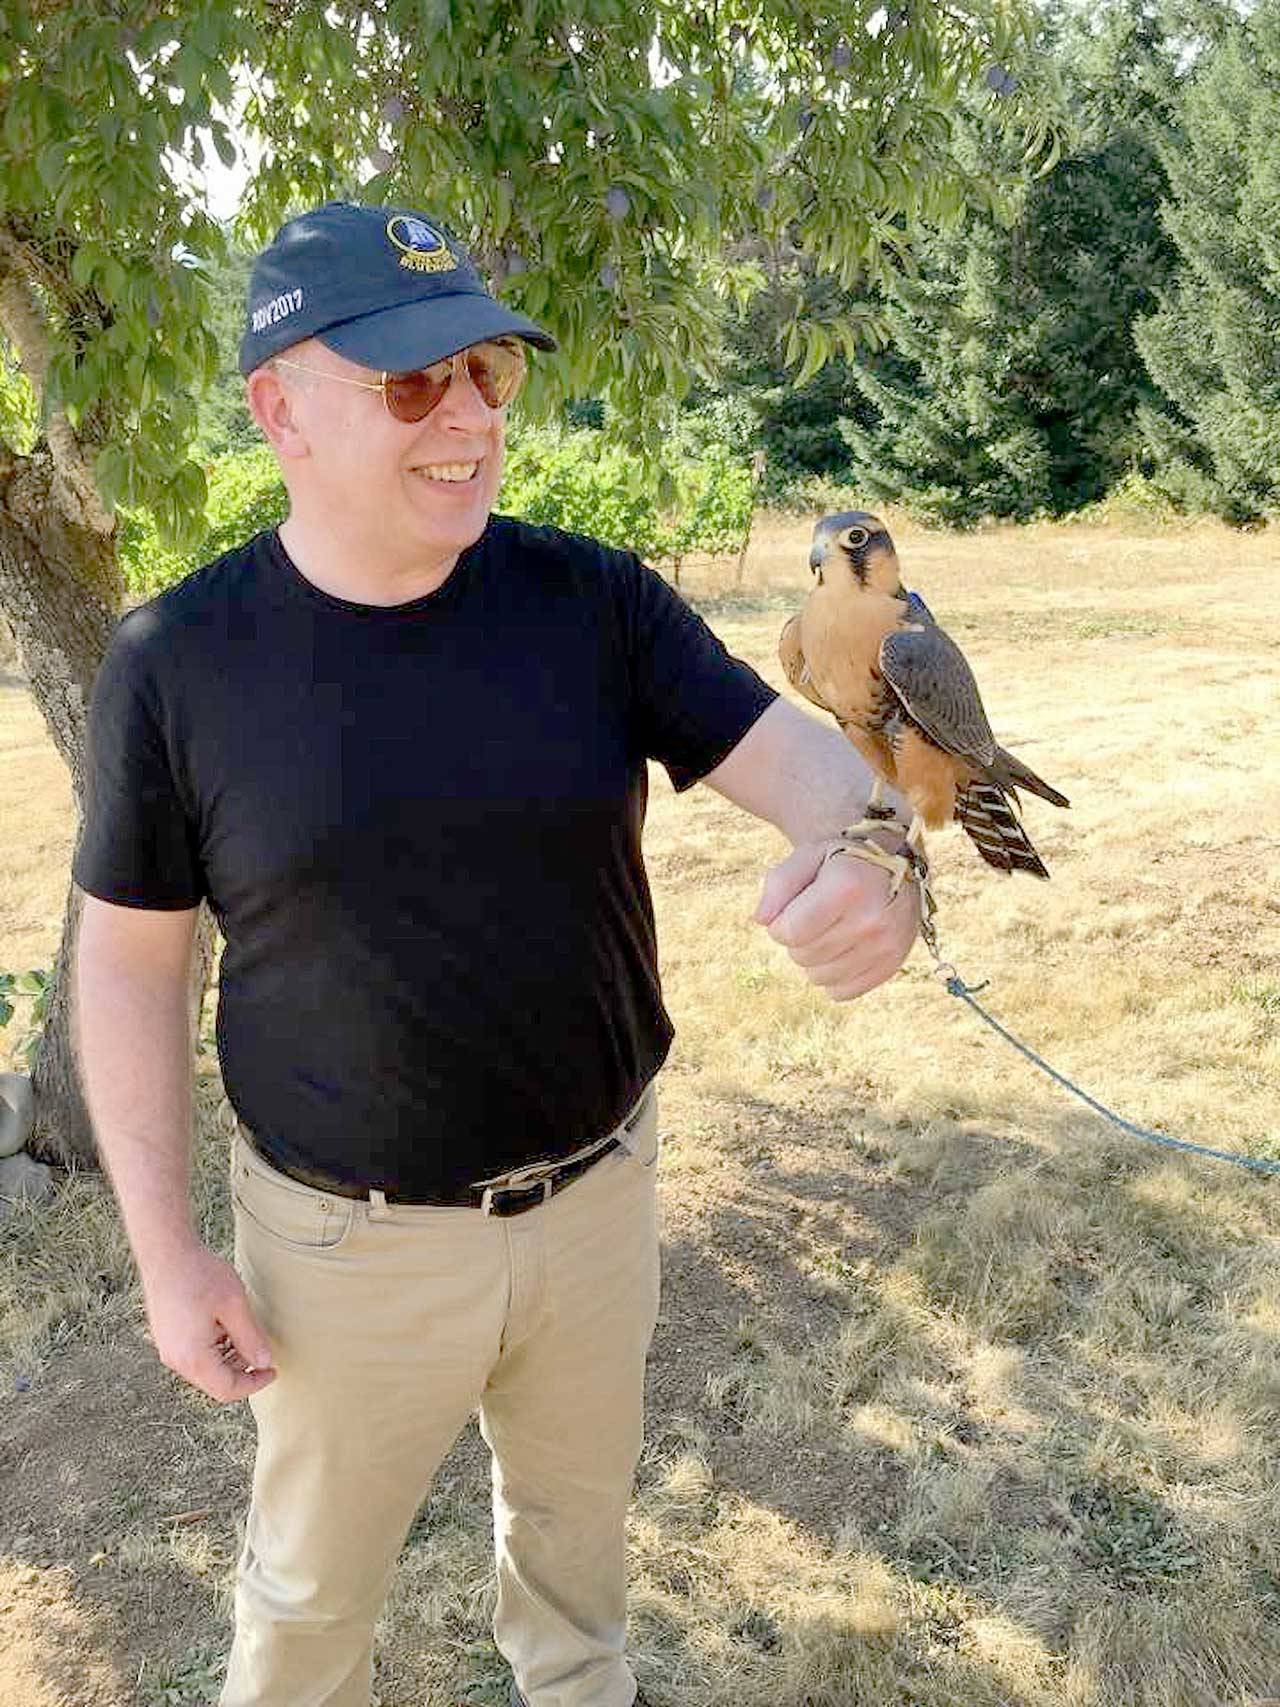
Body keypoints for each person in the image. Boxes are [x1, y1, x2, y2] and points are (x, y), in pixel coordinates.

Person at [72, 202, 919, 1707]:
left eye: (485, 371)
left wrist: (881, 864)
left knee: (578, 1574)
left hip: (600, 1205)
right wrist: (163, 1250)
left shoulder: (590, 601)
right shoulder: (174, 667)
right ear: (280, 412)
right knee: (310, 1608)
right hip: (346, 1254)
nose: (466, 415)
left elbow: (821, 778)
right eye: (409, 383)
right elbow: (132, 966)